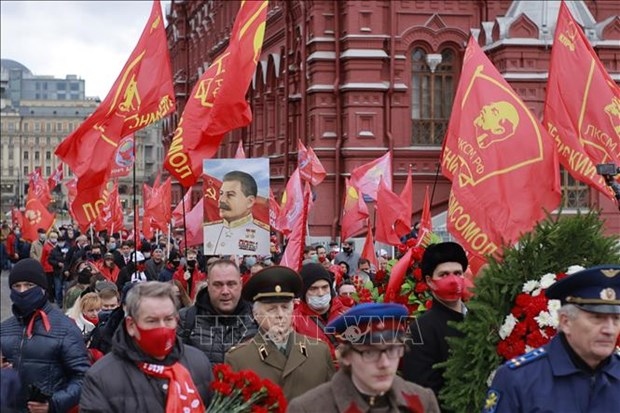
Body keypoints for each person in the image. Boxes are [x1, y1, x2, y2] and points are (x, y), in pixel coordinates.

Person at [483, 264, 620, 413]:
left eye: (616, 319)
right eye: (597, 318)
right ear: (565, 321)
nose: (609, 330)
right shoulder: (519, 379)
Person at [80, 281, 213, 412]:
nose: (162, 327)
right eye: (152, 321)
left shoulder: (198, 363)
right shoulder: (101, 377)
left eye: (168, 319)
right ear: (131, 325)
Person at [287, 303, 440, 412]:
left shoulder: (422, 400)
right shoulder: (309, 408)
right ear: (346, 355)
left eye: (393, 349)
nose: (385, 363)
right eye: (370, 352)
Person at [225, 266, 335, 400]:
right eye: (271, 309)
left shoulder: (319, 351)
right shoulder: (239, 359)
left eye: (285, 307)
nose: (280, 315)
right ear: (256, 315)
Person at [0, 259, 90, 412]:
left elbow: (83, 378)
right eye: (17, 286)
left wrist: (54, 403)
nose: (22, 291)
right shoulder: (5, 328)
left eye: (29, 285)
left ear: (42, 288)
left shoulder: (65, 328)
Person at [400, 242, 469, 409]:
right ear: (430, 281)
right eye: (444, 274)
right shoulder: (420, 330)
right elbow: (422, 389)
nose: (453, 280)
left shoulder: (481, 317)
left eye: (457, 273)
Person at [178, 259, 258, 363]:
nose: (225, 291)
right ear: (208, 285)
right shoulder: (185, 319)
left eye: (231, 284)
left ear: (240, 284)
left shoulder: (257, 319)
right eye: (218, 285)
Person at [203, 170, 270, 256]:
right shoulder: (209, 230)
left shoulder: (263, 234)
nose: (221, 200)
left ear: (250, 202)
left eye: (230, 195)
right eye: (221, 194)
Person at [293, 263, 350, 358]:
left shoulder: (348, 313)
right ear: (304, 292)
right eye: (313, 288)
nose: (320, 293)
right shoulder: (294, 320)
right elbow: (296, 355)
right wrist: (334, 355)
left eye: (325, 287)